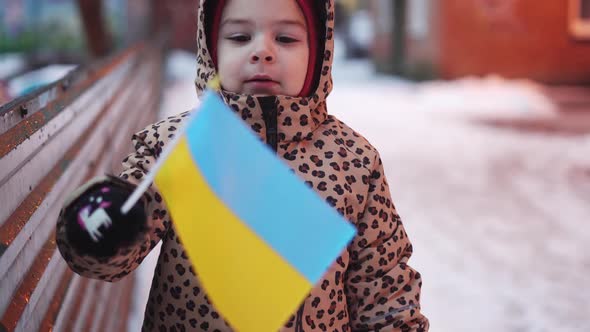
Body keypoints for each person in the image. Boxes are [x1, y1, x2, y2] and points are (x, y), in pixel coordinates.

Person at [55, 0, 430, 330]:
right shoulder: (178, 148)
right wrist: (99, 223)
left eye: (285, 39)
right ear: (211, 50)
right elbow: (109, 261)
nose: (262, 52)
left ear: (318, 54)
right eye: (239, 38)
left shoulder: (353, 162)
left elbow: (385, 290)